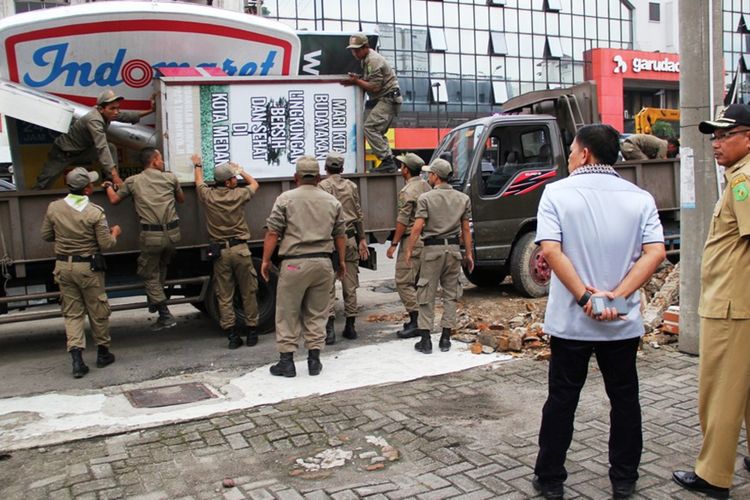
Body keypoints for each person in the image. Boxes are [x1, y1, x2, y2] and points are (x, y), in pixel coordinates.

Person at [531, 124, 666, 500]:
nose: (570, 158)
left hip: (571, 322)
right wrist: (617, 296)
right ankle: (624, 478)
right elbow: (656, 252)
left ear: (585, 153)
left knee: (562, 399)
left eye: (573, 151)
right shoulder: (639, 197)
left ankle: (551, 478)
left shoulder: (556, 193)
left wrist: (584, 299)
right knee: (624, 399)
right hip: (621, 324)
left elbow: (551, 250)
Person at [672, 103, 750, 499]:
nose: (717, 144)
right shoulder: (740, 176)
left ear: (748, 137)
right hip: (737, 303)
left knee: (720, 390)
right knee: (745, 388)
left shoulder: (744, 181)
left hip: (732, 306)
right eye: (715, 137)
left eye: (726, 135)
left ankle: (714, 475)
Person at [261, 155, 346, 378]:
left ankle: (287, 362)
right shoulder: (332, 201)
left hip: (293, 265)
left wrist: (266, 260)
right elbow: (340, 236)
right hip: (323, 263)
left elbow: (272, 232)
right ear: (318, 177)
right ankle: (314, 360)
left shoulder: (285, 199)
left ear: (295, 177)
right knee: (317, 313)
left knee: (287, 312)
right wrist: (342, 262)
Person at [41, 167, 121, 378]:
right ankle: (103, 353)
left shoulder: (54, 208)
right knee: (98, 310)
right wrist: (115, 233)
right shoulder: (94, 211)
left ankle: (77, 360)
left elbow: (46, 235)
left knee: (73, 313)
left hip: (63, 268)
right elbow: (106, 244)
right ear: (87, 189)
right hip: (88, 268)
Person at [103, 147, 184, 330]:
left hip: (152, 236)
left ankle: (164, 314)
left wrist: (108, 186)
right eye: (161, 158)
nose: (163, 162)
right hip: (173, 234)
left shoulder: (133, 181)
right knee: (161, 267)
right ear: (154, 161)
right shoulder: (170, 178)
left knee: (148, 273)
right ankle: (156, 301)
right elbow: (181, 199)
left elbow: (115, 200)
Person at [404, 158, 474, 354]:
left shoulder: (426, 198)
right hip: (453, 250)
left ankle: (426, 340)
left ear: (435, 176)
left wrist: (409, 249)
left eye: (430, 174)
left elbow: (417, 227)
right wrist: (468, 254)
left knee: (426, 293)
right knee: (451, 295)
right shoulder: (462, 198)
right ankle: (445, 339)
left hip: (432, 251)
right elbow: (466, 229)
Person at [192, 155, 260, 350]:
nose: (235, 181)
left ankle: (232, 335)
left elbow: (198, 183)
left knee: (225, 294)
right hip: (241, 250)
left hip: (220, 252)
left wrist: (197, 164)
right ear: (229, 181)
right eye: (233, 179)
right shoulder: (238, 195)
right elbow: (254, 184)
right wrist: (240, 170)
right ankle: (252, 331)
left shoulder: (209, 196)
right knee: (248, 291)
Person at [34, 90, 155, 190]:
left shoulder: (107, 113)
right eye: (112, 108)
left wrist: (150, 110)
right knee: (43, 184)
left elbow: (126, 116)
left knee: (111, 147)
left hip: (82, 151)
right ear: (101, 109)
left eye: (118, 108)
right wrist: (116, 177)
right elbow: (101, 147)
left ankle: (110, 183)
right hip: (63, 153)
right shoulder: (94, 120)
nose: (116, 112)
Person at [318, 152, 369, 345]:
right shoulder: (351, 186)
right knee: (350, 285)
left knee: (328, 287)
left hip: (330, 241)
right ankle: (350, 326)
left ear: (326, 168)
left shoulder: (322, 186)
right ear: (342, 168)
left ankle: (329, 330)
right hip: (349, 239)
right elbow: (359, 214)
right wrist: (362, 238)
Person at [341, 33, 402, 173]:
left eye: (357, 49)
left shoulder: (373, 60)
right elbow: (371, 80)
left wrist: (356, 81)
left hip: (388, 99)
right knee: (377, 130)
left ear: (366, 47)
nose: (354, 53)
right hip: (387, 99)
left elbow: (375, 87)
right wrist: (360, 78)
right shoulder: (367, 59)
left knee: (370, 128)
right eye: (352, 49)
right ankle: (388, 161)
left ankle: (388, 161)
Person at [386, 152, 431, 338]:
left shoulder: (408, 191)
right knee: (419, 282)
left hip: (411, 239)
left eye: (402, 166)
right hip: (426, 239)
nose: (400, 168)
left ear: (406, 170)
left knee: (404, 281)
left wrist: (394, 244)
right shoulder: (427, 186)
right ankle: (420, 320)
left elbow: (402, 220)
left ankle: (417, 319)